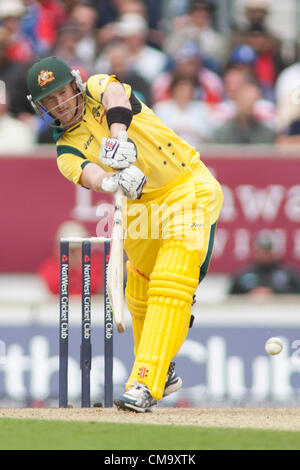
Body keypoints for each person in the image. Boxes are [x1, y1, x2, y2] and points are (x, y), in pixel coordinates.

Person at [26, 56, 223, 412]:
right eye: (49, 101)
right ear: (41, 108)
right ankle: (163, 370)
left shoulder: (100, 86)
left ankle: (144, 382)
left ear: (75, 84)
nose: (60, 104)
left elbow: (117, 95)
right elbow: (90, 176)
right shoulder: (64, 152)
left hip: (186, 186)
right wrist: (113, 180)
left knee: (171, 280)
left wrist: (118, 138)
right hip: (139, 206)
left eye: (63, 93)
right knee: (140, 292)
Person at [38, 220, 104, 295]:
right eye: (70, 249)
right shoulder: (49, 266)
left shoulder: (95, 264)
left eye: (78, 248)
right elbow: (55, 288)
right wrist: (66, 264)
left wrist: (80, 265)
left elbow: (93, 287)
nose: (73, 253)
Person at [228, 232, 300, 296]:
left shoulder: (289, 275)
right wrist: (250, 294)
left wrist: (274, 293)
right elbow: (230, 299)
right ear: (255, 251)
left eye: (268, 250)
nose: (265, 255)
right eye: (262, 250)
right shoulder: (242, 275)